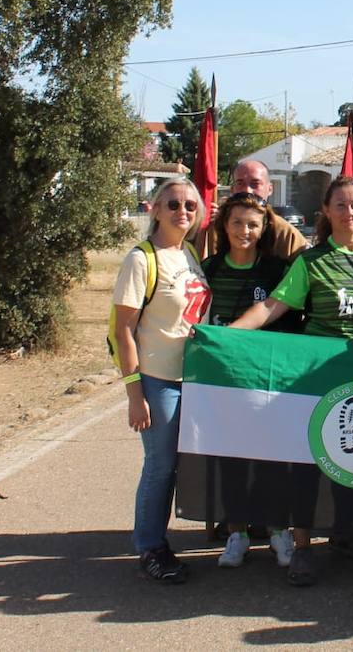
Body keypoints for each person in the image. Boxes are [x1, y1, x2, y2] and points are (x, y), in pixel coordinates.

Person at [231, 176, 353, 587]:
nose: (349, 212)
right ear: (327, 211)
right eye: (340, 205)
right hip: (318, 376)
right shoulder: (310, 261)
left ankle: (347, 536)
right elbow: (272, 307)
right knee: (309, 463)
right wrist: (228, 335)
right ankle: (304, 548)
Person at [111, 177, 212, 585]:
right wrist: (135, 394)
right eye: (172, 204)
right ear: (154, 208)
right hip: (159, 380)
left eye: (190, 205)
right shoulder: (141, 259)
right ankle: (150, 545)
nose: (182, 211)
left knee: (179, 465)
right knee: (160, 466)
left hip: (195, 379)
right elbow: (123, 331)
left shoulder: (188, 253)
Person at [202, 193, 298, 570]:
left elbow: (289, 322)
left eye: (253, 224)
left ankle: (278, 531)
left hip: (266, 379)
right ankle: (237, 534)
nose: (245, 231)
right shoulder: (208, 269)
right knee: (231, 457)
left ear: (264, 229)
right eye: (238, 223)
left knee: (273, 457)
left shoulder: (276, 271)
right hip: (221, 381)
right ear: (225, 225)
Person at [230, 158, 307, 260]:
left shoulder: (286, 234)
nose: (247, 190)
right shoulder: (218, 228)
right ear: (232, 189)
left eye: (255, 184)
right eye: (240, 183)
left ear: (270, 189)